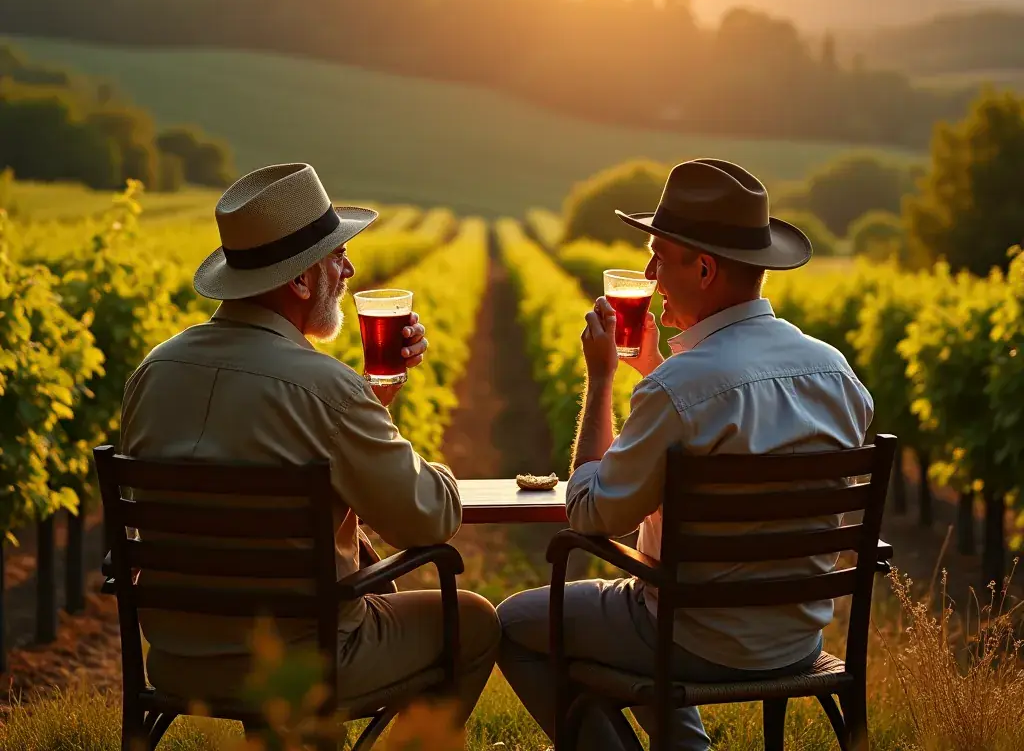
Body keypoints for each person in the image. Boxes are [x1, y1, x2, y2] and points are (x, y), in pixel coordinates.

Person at [497, 158, 874, 751]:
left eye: (658, 256)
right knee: (611, 621)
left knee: (517, 625)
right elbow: (738, 429)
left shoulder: (681, 390)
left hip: (692, 637)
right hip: (797, 636)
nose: (647, 274)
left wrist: (600, 381)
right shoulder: (835, 372)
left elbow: (592, 515)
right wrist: (657, 373)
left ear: (703, 268)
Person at [120, 162, 499, 726]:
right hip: (302, 662)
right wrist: (404, 444)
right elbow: (430, 520)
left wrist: (370, 402)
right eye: (336, 257)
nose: (349, 269)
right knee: (473, 622)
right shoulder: (326, 390)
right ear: (300, 282)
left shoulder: (152, 371)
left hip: (176, 661)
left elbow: (239, 441)